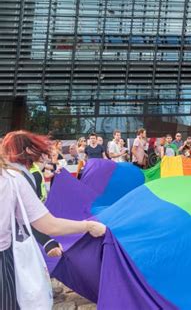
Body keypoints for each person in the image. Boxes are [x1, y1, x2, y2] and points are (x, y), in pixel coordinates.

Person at [0, 152, 106, 309]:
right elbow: (48, 224)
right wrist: (87, 226)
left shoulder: (13, 180)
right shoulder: (13, 180)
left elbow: (46, 224)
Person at [1, 130, 66, 259]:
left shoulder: (16, 172)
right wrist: (47, 241)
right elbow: (31, 218)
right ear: (28, 150)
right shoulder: (18, 176)